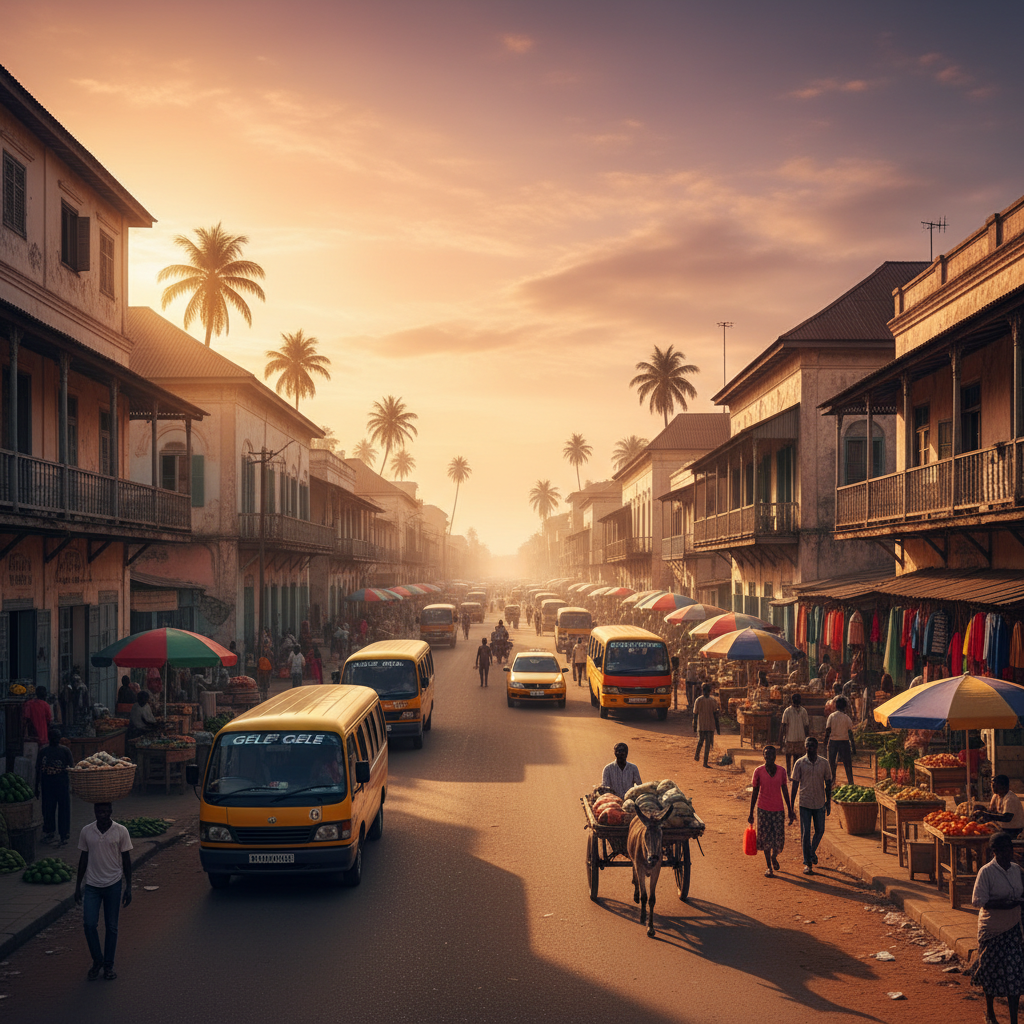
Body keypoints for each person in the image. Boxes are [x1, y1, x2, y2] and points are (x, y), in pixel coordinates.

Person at [75, 802, 133, 981]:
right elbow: (83, 859)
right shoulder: (86, 831)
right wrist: (77, 886)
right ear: (94, 812)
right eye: (99, 811)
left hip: (113, 884)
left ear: (111, 812)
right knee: (89, 924)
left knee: (111, 926)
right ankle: (97, 960)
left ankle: (108, 965)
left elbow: (127, 860)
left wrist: (129, 886)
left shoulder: (121, 831)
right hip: (92, 885)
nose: (103, 814)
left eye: (106, 811)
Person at [971, 831, 1024, 1024]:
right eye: (1001, 850)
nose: (1006, 853)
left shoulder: (1017, 870)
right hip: (992, 929)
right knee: (991, 971)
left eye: (1008, 849)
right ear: (994, 852)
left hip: (1013, 928)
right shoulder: (986, 872)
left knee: (1014, 974)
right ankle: (990, 1012)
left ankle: (1013, 1019)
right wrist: (1004, 903)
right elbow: (978, 901)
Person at [747, 745, 796, 878]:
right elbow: (755, 792)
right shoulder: (758, 771)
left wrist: (790, 809)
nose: (768, 757)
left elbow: (785, 790)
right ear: (763, 756)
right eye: (766, 754)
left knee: (779, 840)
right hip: (763, 810)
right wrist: (751, 813)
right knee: (765, 839)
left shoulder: (781, 771)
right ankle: (769, 866)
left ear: (775, 756)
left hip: (778, 810)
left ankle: (774, 857)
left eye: (771, 754)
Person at [789, 735, 832, 875]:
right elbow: (794, 784)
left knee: (820, 830)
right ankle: (807, 863)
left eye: (812, 745)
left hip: (819, 802)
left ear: (817, 747)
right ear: (805, 747)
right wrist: (791, 805)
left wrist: (828, 802)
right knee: (805, 833)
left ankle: (811, 852)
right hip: (805, 803)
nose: (810, 748)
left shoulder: (824, 763)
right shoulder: (800, 763)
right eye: (808, 745)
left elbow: (828, 783)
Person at [36, 728, 73, 847]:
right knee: (49, 810)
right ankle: (51, 832)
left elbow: (71, 767)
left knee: (61, 809)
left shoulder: (64, 751)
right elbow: (38, 769)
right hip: (50, 785)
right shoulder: (44, 751)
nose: (55, 739)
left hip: (60, 785)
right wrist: (36, 786)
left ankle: (63, 834)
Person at [824, 696, 857, 786]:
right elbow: (850, 733)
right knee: (847, 763)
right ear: (845, 707)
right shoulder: (847, 718)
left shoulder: (831, 716)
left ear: (835, 706)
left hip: (833, 742)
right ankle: (851, 782)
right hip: (844, 742)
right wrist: (853, 747)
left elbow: (828, 731)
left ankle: (832, 781)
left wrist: (825, 743)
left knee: (831, 763)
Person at [780, 692, 810, 775]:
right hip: (790, 738)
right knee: (789, 757)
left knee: (797, 758)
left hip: (800, 738)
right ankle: (789, 773)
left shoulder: (803, 711)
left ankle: (794, 773)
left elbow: (806, 726)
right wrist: (783, 738)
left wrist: (806, 738)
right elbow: (783, 725)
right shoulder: (788, 711)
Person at [691, 682, 720, 768]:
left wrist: (695, 724)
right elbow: (716, 715)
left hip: (702, 725)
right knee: (708, 744)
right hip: (710, 726)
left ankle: (697, 754)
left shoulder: (698, 700)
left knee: (700, 741)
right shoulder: (713, 701)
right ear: (710, 691)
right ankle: (705, 762)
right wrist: (718, 728)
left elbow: (695, 714)